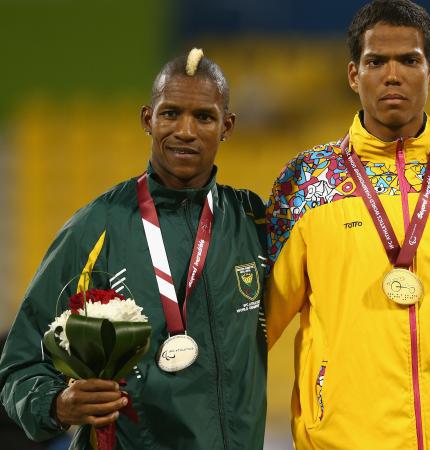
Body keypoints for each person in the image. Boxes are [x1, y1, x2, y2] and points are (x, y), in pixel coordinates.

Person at [264, 1, 430, 449]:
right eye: (376, 61)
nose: (392, 75)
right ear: (354, 75)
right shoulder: (305, 182)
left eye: (409, 61)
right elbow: (258, 327)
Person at [0, 49, 268, 449]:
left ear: (227, 126)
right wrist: (55, 404)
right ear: (148, 118)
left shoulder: (252, 221)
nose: (185, 131)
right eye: (170, 113)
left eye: (204, 117)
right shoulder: (95, 228)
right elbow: (21, 363)